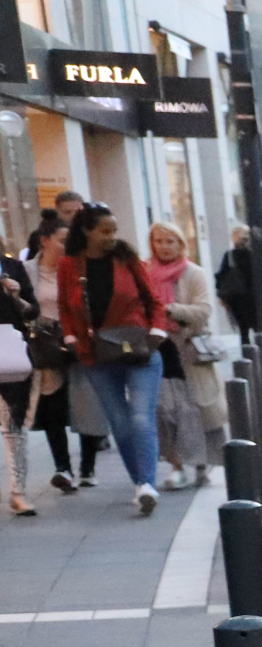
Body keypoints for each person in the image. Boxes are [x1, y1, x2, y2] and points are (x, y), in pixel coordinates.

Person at [58, 202, 169, 516]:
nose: (111, 237)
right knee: (119, 423)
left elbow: (153, 300)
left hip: (139, 348)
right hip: (96, 354)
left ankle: (148, 483)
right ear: (87, 231)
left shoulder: (126, 257)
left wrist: (157, 332)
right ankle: (140, 484)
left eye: (113, 230)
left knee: (140, 417)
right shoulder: (70, 265)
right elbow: (66, 307)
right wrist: (71, 338)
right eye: (104, 231)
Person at [26, 213, 108, 491]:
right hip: (45, 347)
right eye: (63, 240)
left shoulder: (78, 269)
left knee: (87, 402)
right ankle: (63, 468)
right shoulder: (26, 271)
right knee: (51, 409)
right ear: (44, 241)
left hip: (78, 342)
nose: (68, 245)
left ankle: (87, 468)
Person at [145, 223, 221, 491]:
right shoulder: (144, 272)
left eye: (169, 241)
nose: (164, 246)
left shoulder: (194, 273)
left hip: (187, 349)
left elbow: (203, 310)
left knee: (194, 409)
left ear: (180, 244)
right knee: (164, 411)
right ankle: (176, 465)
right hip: (156, 349)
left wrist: (169, 309)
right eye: (158, 241)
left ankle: (200, 462)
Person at [0, 250, 34, 515]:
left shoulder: (12, 266)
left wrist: (17, 297)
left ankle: (18, 492)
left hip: (9, 349)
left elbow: (33, 312)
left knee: (13, 422)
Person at [215, 226, 258, 334]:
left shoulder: (230, 256)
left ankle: (246, 349)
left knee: (243, 329)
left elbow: (221, 276)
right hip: (254, 296)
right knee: (258, 327)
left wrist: (221, 296)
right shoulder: (255, 254)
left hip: (236, 297)